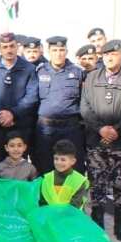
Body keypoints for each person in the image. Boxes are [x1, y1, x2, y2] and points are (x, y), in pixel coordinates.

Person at [81, 39, 121, 240]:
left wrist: (117, 129)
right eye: (106, 54)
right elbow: (85, 107)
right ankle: (97, 225)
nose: (110, 58)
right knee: (97, 184)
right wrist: (101, 128)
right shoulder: (92, 77)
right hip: (96, 141)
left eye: (114, 54)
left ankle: (120, 226)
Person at [0, 32, 38, 163]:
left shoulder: (29, 69)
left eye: (12, 46)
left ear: (17, 47)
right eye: (5, 47)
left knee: (19, 167)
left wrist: (13, 114)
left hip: (20, 126)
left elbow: (32, 96)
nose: (9, 50)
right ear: (0, 49)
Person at [35, 36, 85, 175]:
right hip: (45, 129)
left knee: (73, 167)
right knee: (45, 166)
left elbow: (84, 99)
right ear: (48, 52)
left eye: (62, 50)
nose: (58, 54)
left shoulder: (77, 72)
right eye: (55, 50)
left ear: (66, 51)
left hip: (70, 128)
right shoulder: (39, 71)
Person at [39, 139, 89, 209]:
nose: (58, 163)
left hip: (71, 215)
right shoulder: (47, 178)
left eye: (63, 160)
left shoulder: (79, 181)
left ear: (73, 161)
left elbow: (74, 206)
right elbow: (43, 203)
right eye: (56, 159)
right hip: (49, 214)